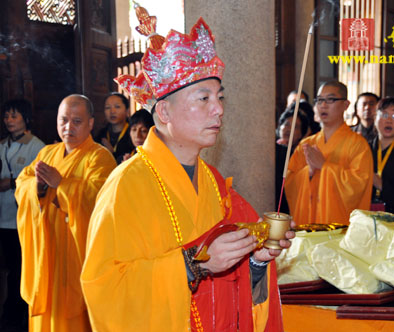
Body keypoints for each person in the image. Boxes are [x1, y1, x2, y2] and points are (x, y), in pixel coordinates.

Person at [81, 17, 291, 332]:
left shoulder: (217, 186)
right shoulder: (126, 186)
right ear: (164, 112)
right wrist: (192, 265)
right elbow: (105, 290)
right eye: (204, 98)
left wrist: (257, 261)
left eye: (220, 98)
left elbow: (236, 288)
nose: (219, 109)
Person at [15, 94, 116, 332]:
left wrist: (62, 185)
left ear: (91, 123)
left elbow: (100, 202)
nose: (68, 127)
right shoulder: (47, 153)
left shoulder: (100, 158)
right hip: (46, 251)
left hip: (75, 256)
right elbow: (23, 183)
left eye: (77, 121)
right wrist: (38, 187)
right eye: (63, 120)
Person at [285, 81, 373, 225]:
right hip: (307, 226)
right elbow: (289, 184)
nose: (323, 105)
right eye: (320, 100)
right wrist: (309, 172)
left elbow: (358, 187)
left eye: (330, 99)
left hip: (340, 230)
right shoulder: (306, 145)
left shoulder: (358, 145)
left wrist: (325, 166)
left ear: (346, 105)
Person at [0, 99, 45, 330]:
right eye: (7, 116)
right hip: (3, 215)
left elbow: (39, 180)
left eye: (14, 116)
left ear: (26, 118)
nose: (9, 120)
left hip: (22, 218)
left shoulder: (36, 146)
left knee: (20, 267)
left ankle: (17, 314)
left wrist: (13, 182)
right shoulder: (2, 145)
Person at [275, 106, 309, 213]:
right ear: (279, 127)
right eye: (286, 124)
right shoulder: (269, 150)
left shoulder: (301, 155)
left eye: (295, 127)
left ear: (301, 134)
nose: (289, 129)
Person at [95, 92, 135, 163]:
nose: (112, 111)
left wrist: (112, 153)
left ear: (127, 111)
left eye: (117, 107)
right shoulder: (101, 135)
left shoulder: (134, 133)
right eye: (108, 107)